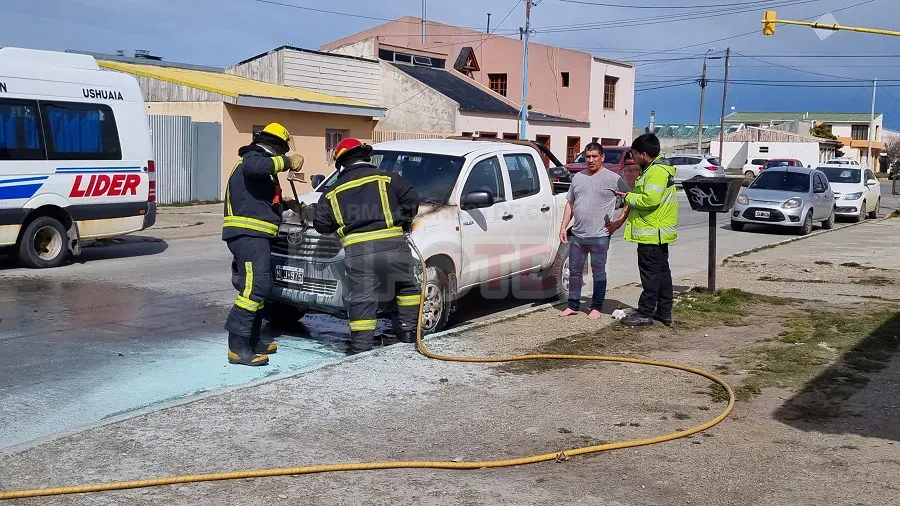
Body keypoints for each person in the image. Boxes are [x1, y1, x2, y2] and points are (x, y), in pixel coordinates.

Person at [312, 138, 422, 355]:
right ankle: (410, 334)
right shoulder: (389, 179)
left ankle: (361, 347)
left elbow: (322, 227)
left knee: (362, 296)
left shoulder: (332, 192)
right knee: (408, 288)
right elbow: (412, 203)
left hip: (359, 253)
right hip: (394, 247)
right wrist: (406, 223)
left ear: (340, 163)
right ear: (365, 158)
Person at [223, 122, 305, 366]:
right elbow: (256, 167)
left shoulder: (261, 165)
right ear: (277, 145)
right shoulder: (254, 156)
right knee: (252, 289)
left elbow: (258, 199)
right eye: (282, 151)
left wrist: (287, 205)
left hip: (257, 235)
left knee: (261, 288)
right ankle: (237, 348)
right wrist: (288, 162)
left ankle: (253, 340)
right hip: (248, 235)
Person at [558, 142, 630, 320]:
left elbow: (630, 199)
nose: (590, 160)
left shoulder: (613, 178)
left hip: (600, 235)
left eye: (594, 156)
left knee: (599, 272)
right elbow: (570, 203)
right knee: (575, 272)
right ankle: (573, 305)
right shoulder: (578, 177)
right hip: (578, 235)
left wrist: (619, 221)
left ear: (602, 158)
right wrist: (563, 226)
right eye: (588, 156)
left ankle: (596, 307)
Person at [617, 133, 678, 327]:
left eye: (634, 154)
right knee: (661, 274)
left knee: (651, 276)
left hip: (652, 233)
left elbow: (650, 200)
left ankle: (645, 313)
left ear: (644, 154)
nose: (633, 158)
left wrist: (628, 198)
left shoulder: (655, 172)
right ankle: (663, 311)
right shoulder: (655, 169)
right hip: (657, 233)